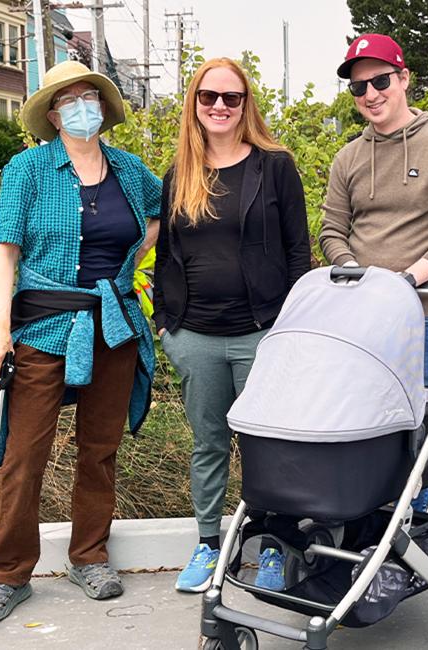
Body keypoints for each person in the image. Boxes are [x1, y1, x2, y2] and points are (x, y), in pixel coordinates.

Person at [0, 61, 162, 624]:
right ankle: (9, 573)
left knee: (99, 450)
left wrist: (132, 267)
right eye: (70, 100)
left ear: (103, 107)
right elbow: (6, 253)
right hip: (43, 327)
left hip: (113, 324)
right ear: (53, 115)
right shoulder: (27, 170)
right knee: (24, 452)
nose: (83, 106)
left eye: (91, 97)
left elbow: (161, 218)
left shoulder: (130, 171)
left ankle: (90, 556)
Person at [153, 58, 311, 593]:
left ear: (246, 105)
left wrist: (292, 331)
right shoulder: (180, 173)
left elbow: (298, 252)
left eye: (231, 97)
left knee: (267, 444)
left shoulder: (275, 166)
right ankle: (207, 542)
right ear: (194, 104)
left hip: (261, 334)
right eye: (208, 96)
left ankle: (271, 544)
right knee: (209, 442)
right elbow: (169, 254)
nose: (219, 106)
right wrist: (166, 325)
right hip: (195, 335)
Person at [319, 34, 428, 511]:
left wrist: (407, 280)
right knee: (358, 418)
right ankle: (365, 514)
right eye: (358, 87)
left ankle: (411, 522)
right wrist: (355, 275)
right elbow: (331, 230)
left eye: (380, 81)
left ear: (404, 78)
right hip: (358, 314)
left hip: (418, 311)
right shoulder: (348, 157)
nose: (370, 94)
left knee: (412, 420)